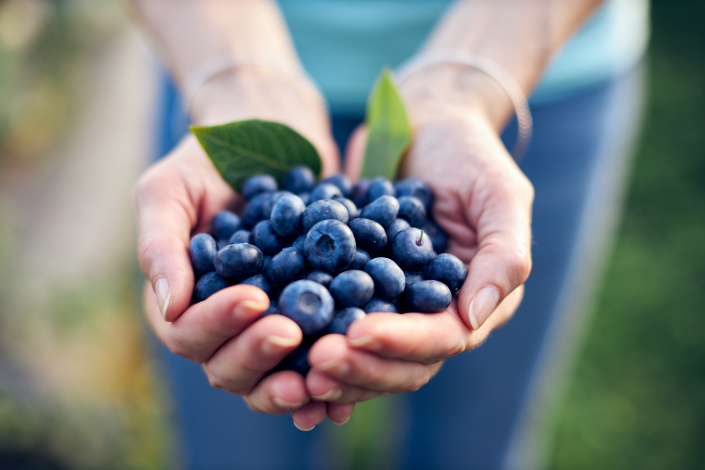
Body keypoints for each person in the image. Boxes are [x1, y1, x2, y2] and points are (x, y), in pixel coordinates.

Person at [131, 0, 647, 468]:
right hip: (213, 53)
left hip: (536, 61)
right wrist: (235, 76)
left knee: (472, 447)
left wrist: (465, 85)